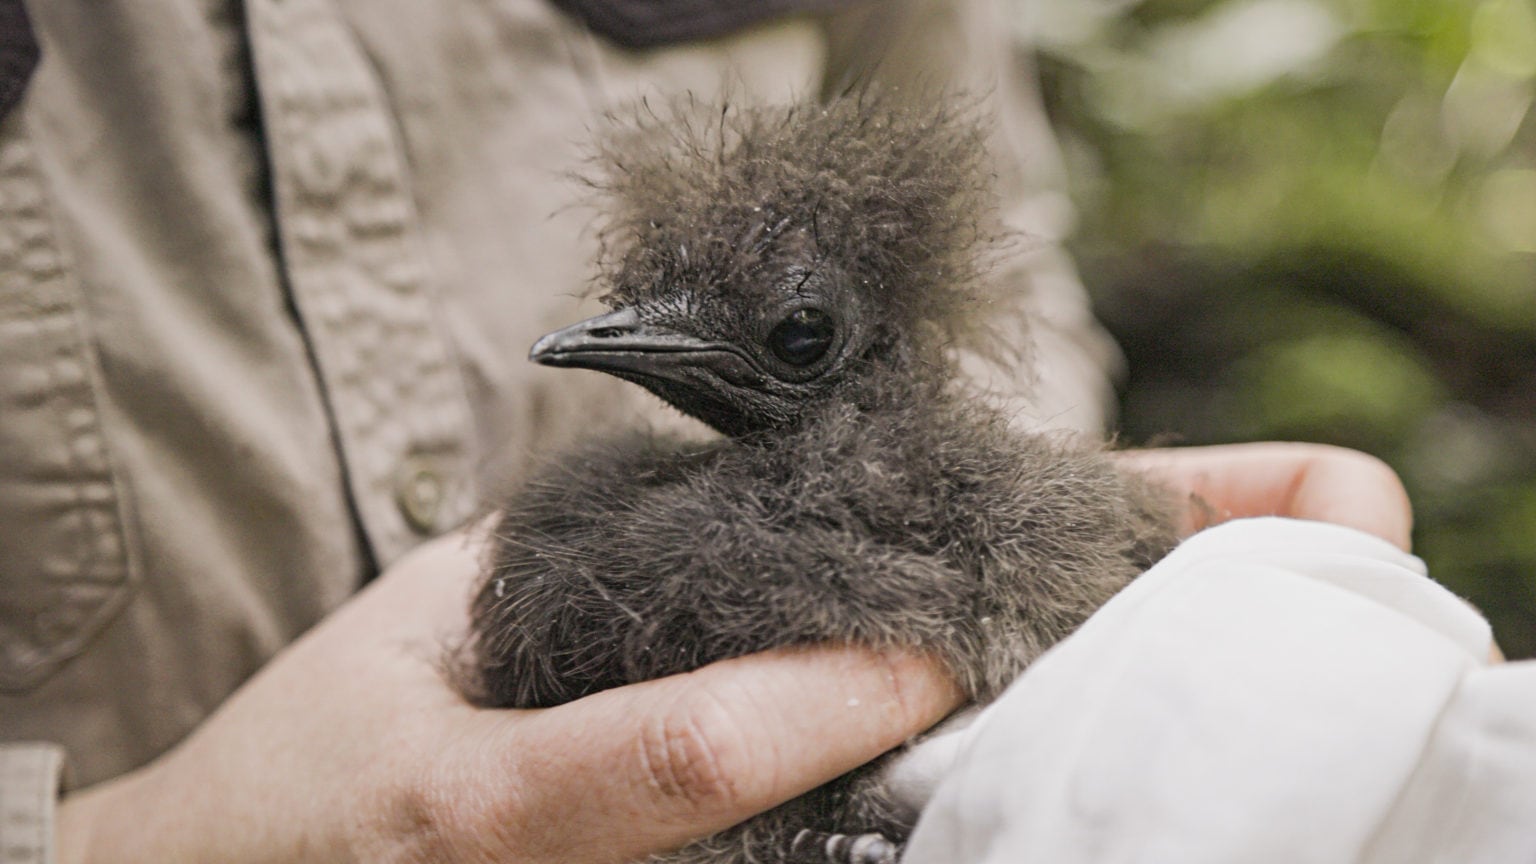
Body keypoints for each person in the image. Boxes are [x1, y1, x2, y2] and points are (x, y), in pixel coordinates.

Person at [0, 0, 1414, 860]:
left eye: (790, 340)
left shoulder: (997, 510)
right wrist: (103, 842)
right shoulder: (597, 542)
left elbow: (990, 251)